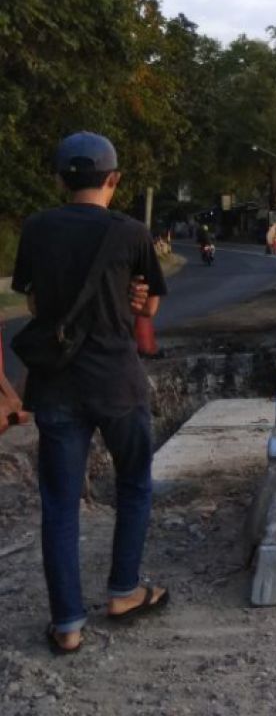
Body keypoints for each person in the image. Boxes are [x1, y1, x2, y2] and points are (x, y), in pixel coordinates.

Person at [11, 132, 170, 654]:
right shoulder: (131, 233)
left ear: (60, 179)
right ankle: (124, 591)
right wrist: (132, 301)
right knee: (134, 485)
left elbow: (35, 306)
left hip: (57, 384)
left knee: (59, 503)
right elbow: (147, 311)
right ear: (114, 180)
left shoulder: (36, 228)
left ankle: (68, 626)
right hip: (117, 382)